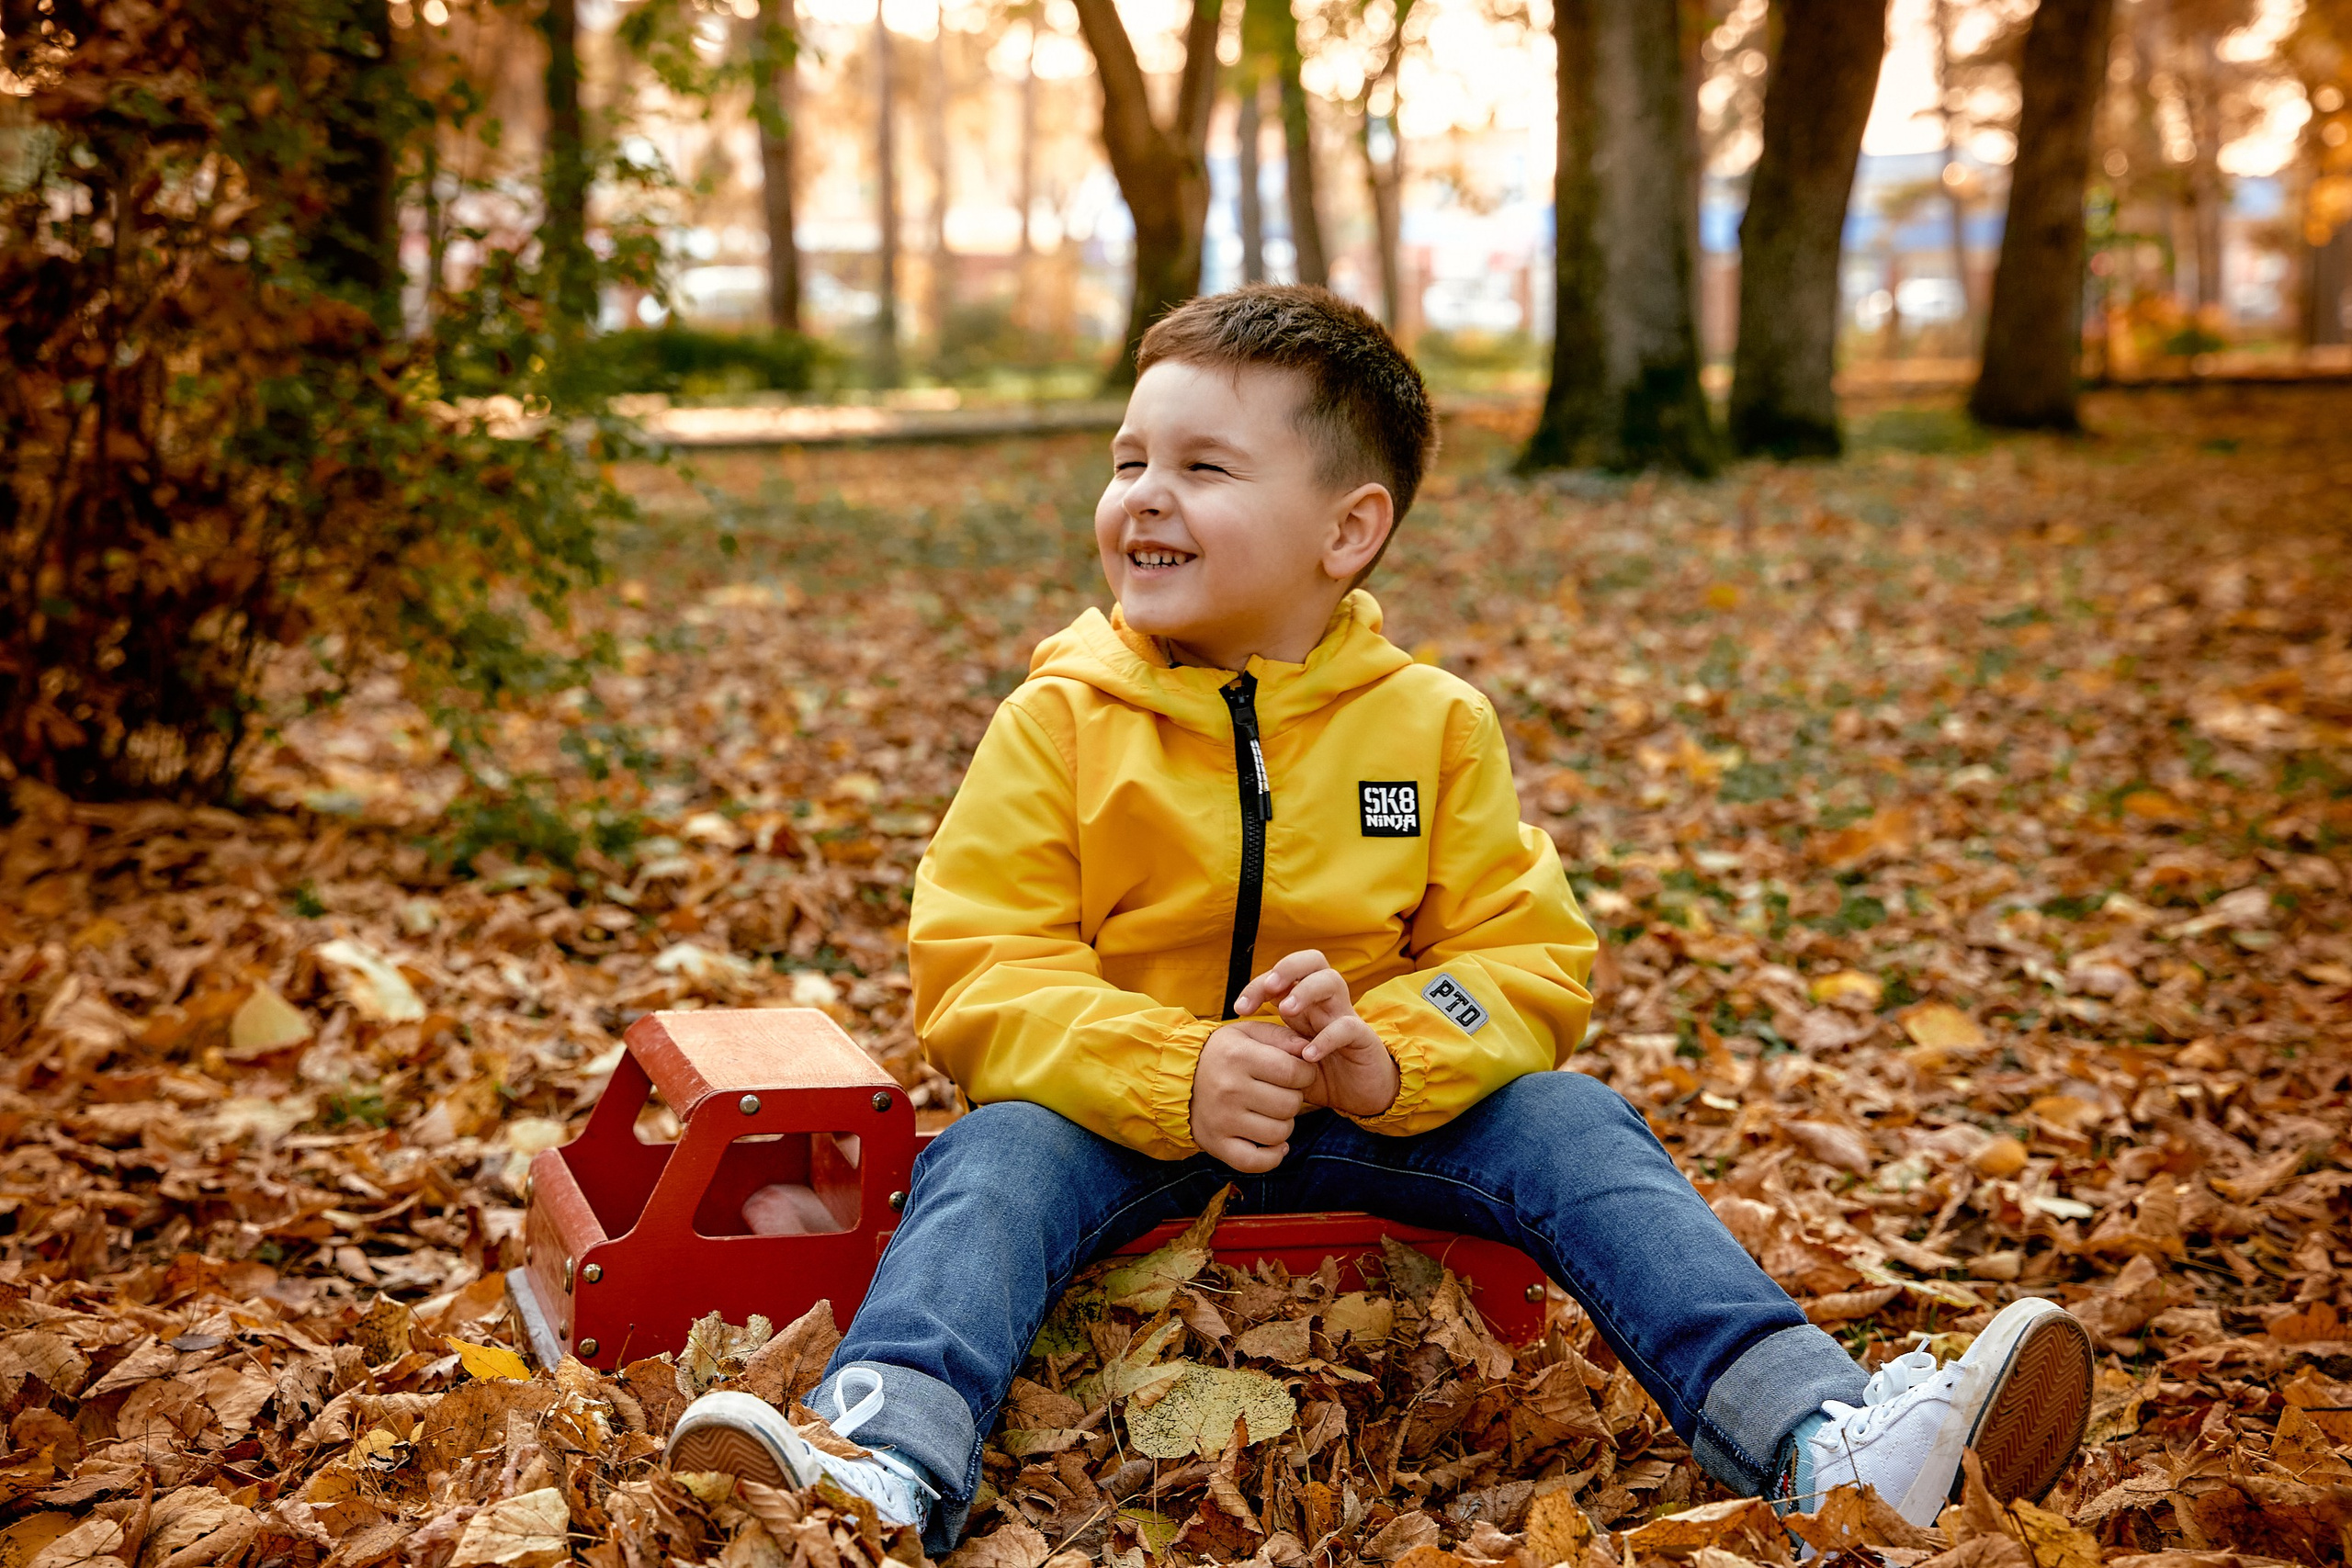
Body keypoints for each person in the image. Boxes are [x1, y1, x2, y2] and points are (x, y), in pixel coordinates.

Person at [662, 286, 2092, 1549]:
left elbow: (1525, 960)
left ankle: (1824, 1442)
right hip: (1115, 1116)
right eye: (1129, 460)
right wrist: (1176, 1071)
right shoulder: (1062, 724)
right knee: (990, 1158)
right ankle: (880, 1466)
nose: (1145, 496)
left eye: (1203, 466)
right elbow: (980, 964)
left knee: (1578, 1125)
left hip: (1368, 1113)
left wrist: (1387, 1053)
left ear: (1349, 531)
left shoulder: (1430, 727)